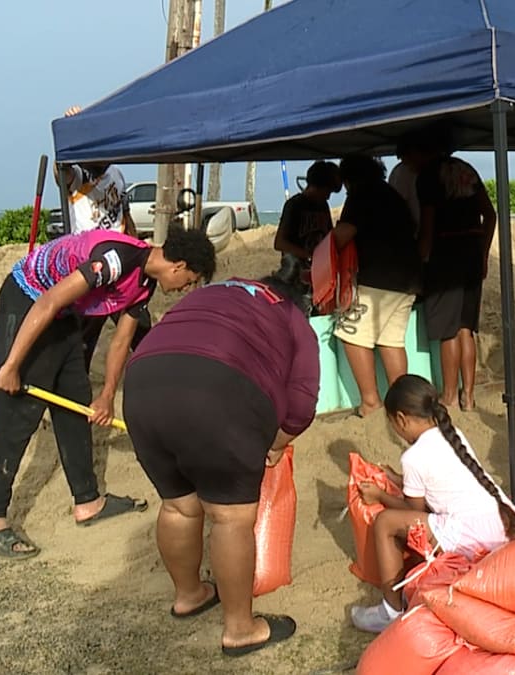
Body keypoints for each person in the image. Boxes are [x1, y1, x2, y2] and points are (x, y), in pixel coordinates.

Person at [0, 228, 217, 560]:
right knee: (17, 416)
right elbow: (48, 300)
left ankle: (88, 502)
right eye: (190, 280)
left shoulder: (145, 285)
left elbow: (120, 342)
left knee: (75, 401)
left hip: (63, 314)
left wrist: (106, 395)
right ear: (179, 265)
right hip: (29, 298)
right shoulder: (115, 261)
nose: (185, 288)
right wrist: (11, 365)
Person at [122, 274, 319, 657]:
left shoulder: (211, 292)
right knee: (230, 518)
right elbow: (303, 400)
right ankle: (241, 630)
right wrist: (278, 443)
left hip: (143, 382)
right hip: (220, 386)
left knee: (179, 504)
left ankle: (189, 595)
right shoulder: (292, 314)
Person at [349, 374, 515, 633]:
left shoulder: (413, 456)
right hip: (503, 521)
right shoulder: (453, 434)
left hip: (472, 533)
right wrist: (397, 479)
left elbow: (412, 511)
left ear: (401, 419)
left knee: (385, 523)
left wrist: (380, 496)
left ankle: (391, 609)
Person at [57, 105, 149, 369]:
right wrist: (72, 131)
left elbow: (125, 215)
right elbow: (60, 171)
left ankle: (152, 372)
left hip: (125, 264)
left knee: (140, 332)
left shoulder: (116, 174)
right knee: (84, 339)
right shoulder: (79, 177)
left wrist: (138, 248)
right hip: (93, 266)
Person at [332, 154, 423, 417]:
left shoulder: (360, 195)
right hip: (408, 278)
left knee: (352, 333)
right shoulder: (391, 195)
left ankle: (370, 403)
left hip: (377, 278)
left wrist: (321, 250)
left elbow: (343, 235)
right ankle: (402, 403)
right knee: (391, 341)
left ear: (349, 180)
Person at [416, 136, 496, 411]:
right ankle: (468, 397)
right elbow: (491, 215)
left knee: (447, 330)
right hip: (472, 252)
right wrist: (483, 254)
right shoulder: (467, 170)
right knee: (466, 328)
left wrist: (421, 262)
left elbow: (427, 226)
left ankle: (449, 395)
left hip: (445, 254)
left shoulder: (428, 176)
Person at [273, 160, 341, 310]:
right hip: (295, 276)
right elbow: (279, 243)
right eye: (327, 191)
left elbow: (328, 236)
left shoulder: (323, 206)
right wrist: (310, 255)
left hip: (318, 277)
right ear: (316, 186)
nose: (328, 197)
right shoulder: (294, 205)